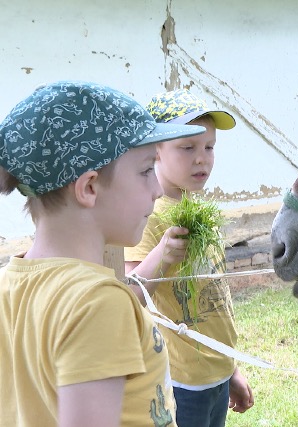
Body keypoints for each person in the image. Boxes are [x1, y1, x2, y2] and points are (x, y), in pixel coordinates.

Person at [0, 80, 206, 426]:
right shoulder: (98, 303)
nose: (157, 189)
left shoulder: (8, 286)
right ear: (90, 187)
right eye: (145, 171)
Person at [124, 89, 254, 427]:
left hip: (216, 373)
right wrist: (162, 255)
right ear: (154, 151)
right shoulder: (147, 214)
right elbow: (130, 296)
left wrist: (231, 367)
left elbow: (213, 297)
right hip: (181, 382)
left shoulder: (195, 206)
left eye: (209, 147)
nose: (202, 159)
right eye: (187, 148)